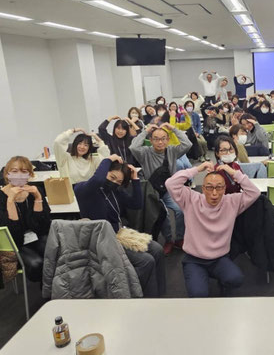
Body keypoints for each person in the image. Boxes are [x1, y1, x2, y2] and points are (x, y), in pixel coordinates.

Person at [74, 154, 165, 297]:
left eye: (119, 181)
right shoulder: (84, 189)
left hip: (118, 235)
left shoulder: (114, 192)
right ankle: (135, 294)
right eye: (112, 177)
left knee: (157, 249)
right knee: (146, 261)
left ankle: (158, 294)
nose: (114, 182)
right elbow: (98, 179)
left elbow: (137, 204)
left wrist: (135, 179)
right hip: (100, 240)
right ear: (104, 171)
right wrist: (109, 159)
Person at [165, 161, 260, 297]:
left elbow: (254, 192)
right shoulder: (191, 200)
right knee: (199, 295)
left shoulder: (232, 202)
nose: (214, 193)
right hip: (194, 259)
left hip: (219, 258)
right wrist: (197, 169)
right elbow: (170, 183)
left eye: (219, 187)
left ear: (224, 189)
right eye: (209, 187)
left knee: (236, 279)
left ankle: (221, 281)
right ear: (203, 189)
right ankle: (200, 276)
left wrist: (234, 173)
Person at [129, 123, 192, 255]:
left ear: (168, 140)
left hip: (169, 190)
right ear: (151, 140)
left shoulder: (172, 151)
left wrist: (173, 129)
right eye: (156, 139)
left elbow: (188, 144)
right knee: (163, 214)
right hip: (152, 191)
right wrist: (145, 131)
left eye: (163, 138)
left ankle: (179, 238)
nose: (160, 142)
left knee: (180, 210)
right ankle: (169, 240)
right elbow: (133, 147)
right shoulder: (145, 153)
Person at [0, 156, 51, 282]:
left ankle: (51, 287)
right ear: (7, 174)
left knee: (56, 254)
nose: (19, 175)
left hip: (36, 237)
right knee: (37, 264)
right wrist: (10, 201)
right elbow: (12, 235)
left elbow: (43, 227)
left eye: (24, 171)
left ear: (30, 175)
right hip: (14, 246)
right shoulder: (2, 197)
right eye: (15, 171)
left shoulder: (35, 191)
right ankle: (47, 286)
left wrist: (38, 197)